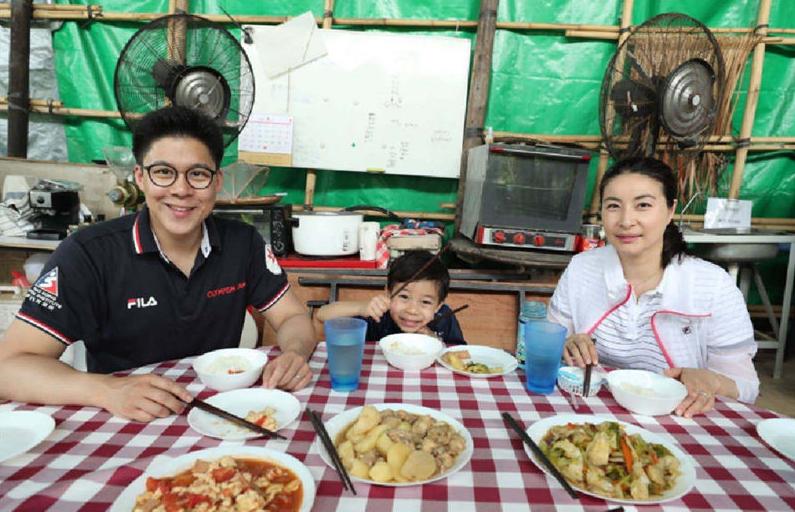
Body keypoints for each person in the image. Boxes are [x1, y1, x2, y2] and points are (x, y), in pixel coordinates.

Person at [0, 106, 317, 422]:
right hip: (124, 419)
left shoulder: (242, 243)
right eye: (164, 172)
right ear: (140, 178)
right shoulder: (88, 254)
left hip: (221, 415)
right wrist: (107, 391)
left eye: (198, 174)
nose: (181, 190)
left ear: (217, 181)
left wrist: (294, 353)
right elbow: (9, 367)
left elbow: (292, 317)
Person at [548, 157, 759, 417]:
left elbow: (747, 387)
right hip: (590, 410)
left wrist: (711, 381)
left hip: (679, 418)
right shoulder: (582, 268)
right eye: (613, 206)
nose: (626, 220)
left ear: (670, 210)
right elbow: (550, 342)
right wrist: (566, 344)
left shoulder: (712, 285)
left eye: (643, 205)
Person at [317, 250, 465, 344]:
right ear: (388, 294)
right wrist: (361, 307)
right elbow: (323, 314)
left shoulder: (444, 317)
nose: (412, 310)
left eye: (425, 302)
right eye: (404, 296)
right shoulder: (379, 315)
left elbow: (459, 354)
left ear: (438, 306)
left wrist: (435, 340)